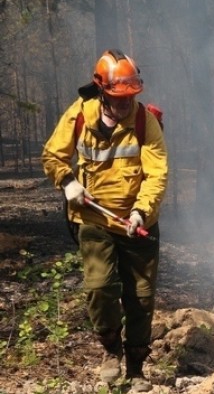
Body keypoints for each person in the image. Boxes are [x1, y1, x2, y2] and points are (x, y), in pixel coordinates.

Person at [42, 49, 168, 391]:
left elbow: (156, 174)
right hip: (93, 219)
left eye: (130, 95)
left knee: (141, 297)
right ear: (102, 91)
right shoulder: (80, 115)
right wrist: (68, 183)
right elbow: (53, 156)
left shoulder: (145, 122)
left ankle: (136, 369)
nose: (126, 102)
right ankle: (111, 349)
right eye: (118, 95)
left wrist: (141, 211)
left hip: (137, 222)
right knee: (100, 288)